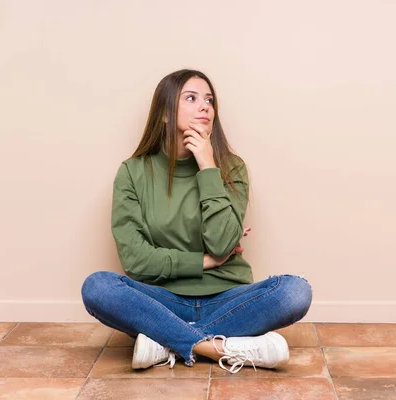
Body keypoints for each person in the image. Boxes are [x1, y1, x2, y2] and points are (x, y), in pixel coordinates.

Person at [81, 69, 312, 373]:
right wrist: (207, 262)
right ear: (165, 113)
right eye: (191, 98)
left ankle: (166, 341)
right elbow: (135, 260)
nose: (205, 106)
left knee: (296, 291)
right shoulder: (133, 172)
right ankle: (219, 348)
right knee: (98, 286)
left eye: (209, 100)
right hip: (162, 300)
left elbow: (221, 241)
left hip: (229, 298)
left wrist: (207, 167)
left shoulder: (231, 168)